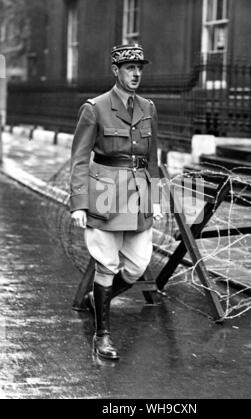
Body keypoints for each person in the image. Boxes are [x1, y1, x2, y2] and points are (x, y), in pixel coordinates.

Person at [70, 44, 162, 361]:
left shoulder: (148, 107)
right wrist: (80, 203)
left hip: (137, 194)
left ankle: (100, 301)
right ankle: (102, 335)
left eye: (139, 68)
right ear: (116, 71)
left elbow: (153, 158)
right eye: (129, 68)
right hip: (105, 193)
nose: (136, 73)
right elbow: (80, 160)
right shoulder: (94, 108)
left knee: (137, 264)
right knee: (107, 263)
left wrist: (157, 198)